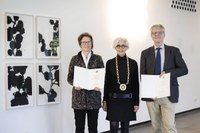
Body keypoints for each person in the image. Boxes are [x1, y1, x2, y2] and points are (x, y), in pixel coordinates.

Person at [140, 24, 188, 133]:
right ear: (151, 36)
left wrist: (168, 73)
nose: (157, 35)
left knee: (169, 127)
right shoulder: (145, 53)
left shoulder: (174, 51)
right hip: (152, 96)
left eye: (160, 32)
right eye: (154, 33)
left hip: (169, 94)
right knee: (156, 127)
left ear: (164, 34)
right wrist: (150, 90)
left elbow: (184, 69)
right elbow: (143, 75)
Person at [67, 32, 104, 133]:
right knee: (79, 128)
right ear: (80, 44)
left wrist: (99, 85)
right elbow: (69, 77)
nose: (86, 44)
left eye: (88, 42)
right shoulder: (74, 59)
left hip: (94, 98)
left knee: (93, 128)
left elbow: (102, 76)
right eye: (84, 42)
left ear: (92, 43)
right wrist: (75, 84)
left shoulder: (98, 58)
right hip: (78, 100)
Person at [102, 37, 139, 133]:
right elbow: (107, 83)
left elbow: (136, 84)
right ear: (115, 47)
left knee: (125, 127)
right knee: (113, 127)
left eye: (123, 46)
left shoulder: (133, 63)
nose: (121, 48)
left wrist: (136, 102)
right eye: (118, 45)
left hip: (128, 101)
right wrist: (105, 100)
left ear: (127, 47)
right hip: (113, 101)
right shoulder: (110, 63)